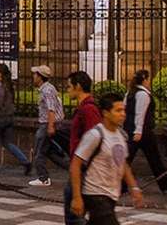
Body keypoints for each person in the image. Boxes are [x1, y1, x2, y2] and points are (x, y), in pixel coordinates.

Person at [69, 92, 144, 225]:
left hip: (111, 195)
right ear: (105, 113)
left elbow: (123, 164)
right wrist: (77, 197)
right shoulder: (95, 135)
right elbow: (75, 164)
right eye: (118, 110)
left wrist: (134, 188)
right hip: (95, 194)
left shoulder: (120, 135)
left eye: (123, 110)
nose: (123, 114)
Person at [124, 69, 167, 194]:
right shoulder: (143, 94)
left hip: (132, 130)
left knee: (128, 159)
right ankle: (166, 184)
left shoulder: (130, 93)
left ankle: (166, 184)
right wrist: (138, 131)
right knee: (154, 159)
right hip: (143, 132)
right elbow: (140, 114)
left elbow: (125, 110)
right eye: (148, 79)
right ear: (145, 80)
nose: (149, 82)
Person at [64, 70, 102, 225]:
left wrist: (82, 164)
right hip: (80, 166)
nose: (67, 90)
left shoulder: (88, 109)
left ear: (77, 86)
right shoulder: (84, 108)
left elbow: (94, 137)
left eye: (68, 87)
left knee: (74, 216)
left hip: (83, 168)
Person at [0, 63, 29, 175]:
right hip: (9, 117)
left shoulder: (0, 87)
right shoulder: (9, 85)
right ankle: (25, 161)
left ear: (1, 74)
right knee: (8, 143)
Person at [29, 65, 64, 187]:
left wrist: (50, 126)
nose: (33, 77)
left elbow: (51, 109)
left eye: (35, 74)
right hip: (48, 123)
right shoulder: (47, 88)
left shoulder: (47, 90)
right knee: (49, 151)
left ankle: (43, 178)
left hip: (46, 124)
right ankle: (71, 168)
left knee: (39, 150)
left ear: (40, 76)